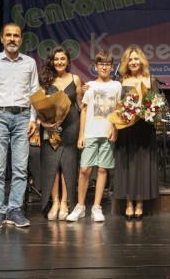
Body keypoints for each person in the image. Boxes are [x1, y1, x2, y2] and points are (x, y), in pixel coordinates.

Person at [0, 22, 39, 230]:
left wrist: (33, 118)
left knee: (20, 168)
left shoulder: (30, 62)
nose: (12, 39)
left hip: (22, 116)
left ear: (21, 39)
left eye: (16, 35)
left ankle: (14, 209)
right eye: (8, 35)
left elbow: (35, 92)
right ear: (2, 38)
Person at [66, 50, 121, 223]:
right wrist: (81, 134)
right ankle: (80, 206)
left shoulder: (117, 86)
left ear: (111, 67)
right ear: (96, 67)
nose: (104, 67)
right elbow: (83, 110)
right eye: (101, 64)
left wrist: (115, 129)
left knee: (103, 169)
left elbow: (119, 109)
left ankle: (96, 207)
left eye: (107, 64)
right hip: (90, 132)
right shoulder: (89, 85)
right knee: (85, 170)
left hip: (106, 133)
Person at [113, 46, 160, 220]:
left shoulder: (150, 79)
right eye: (130, 59)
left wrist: (148, 111)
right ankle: (128, 203)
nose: (133, 62)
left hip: (145, 129)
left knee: (142, 165)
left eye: (136, 59)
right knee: (127, 165)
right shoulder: (120, 81)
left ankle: (139, 204)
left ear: (142, 61)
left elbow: (157, 106)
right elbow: (116, 107)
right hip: (126, 129)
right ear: (126, 62)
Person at [38, 46, 82, 221]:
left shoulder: (75, 79)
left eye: (62, 59)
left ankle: (65, 202)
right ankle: (54, 202)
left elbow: (80, 105)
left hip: (71, 126)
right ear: (52, 61)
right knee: (52, 166)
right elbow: (39, 105)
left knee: (68, 165)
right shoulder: (46, 80)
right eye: (56, 59)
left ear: (68, 61)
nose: (59, 62)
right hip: (51, 127)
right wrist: (44, 123)